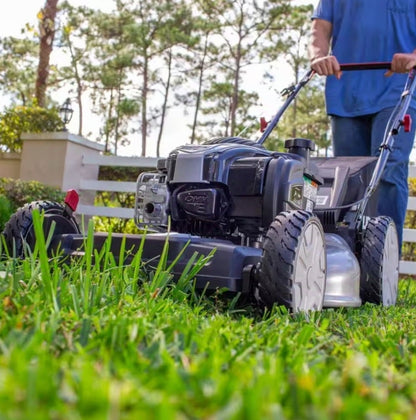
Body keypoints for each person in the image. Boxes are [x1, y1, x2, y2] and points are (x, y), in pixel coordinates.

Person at [308, 0, 416, 251]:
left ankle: (382, 266)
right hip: (346, 91)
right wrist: (319, 56)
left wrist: (412, 57)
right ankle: (345, 262)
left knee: (387, 172)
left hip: (398, 89)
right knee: (346, 180)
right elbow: (320, 28)